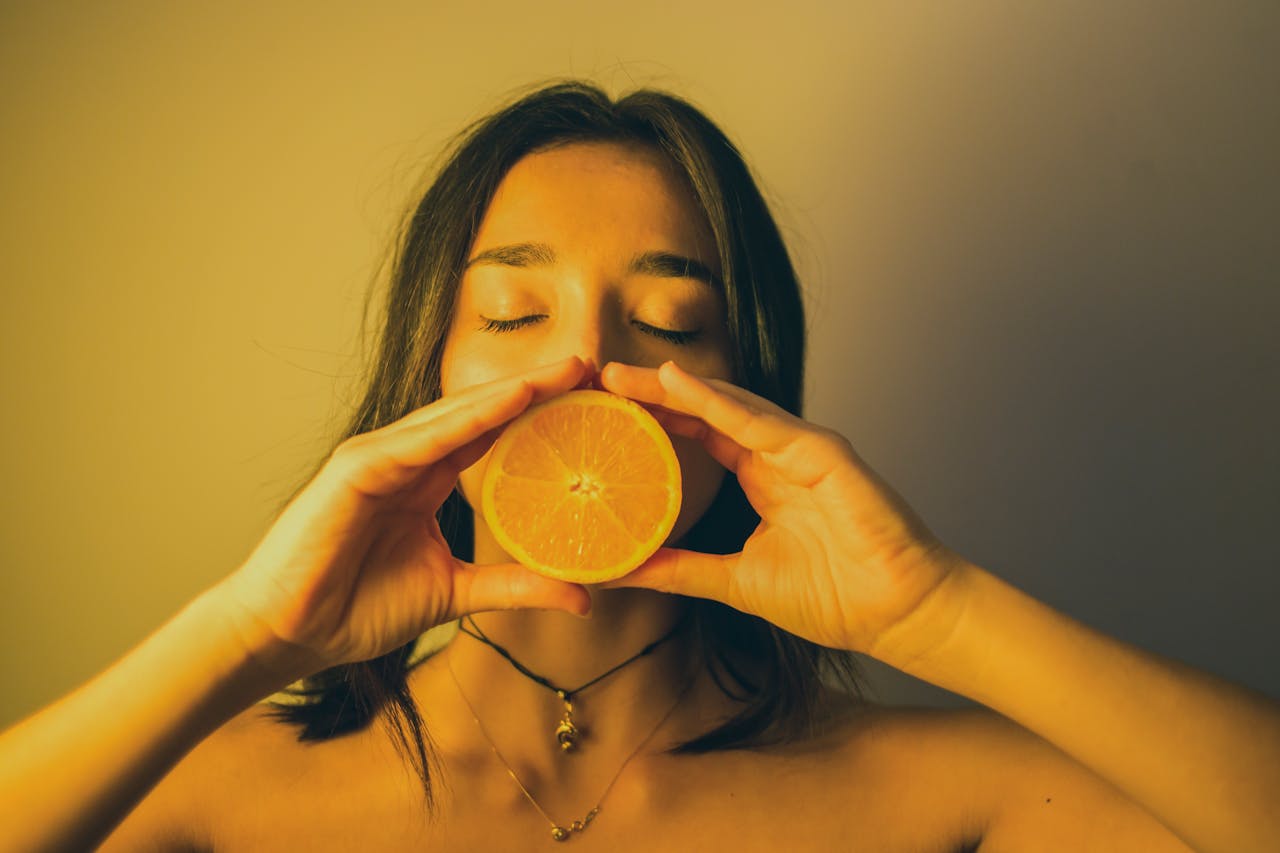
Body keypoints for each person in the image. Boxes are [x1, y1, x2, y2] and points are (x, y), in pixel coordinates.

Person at [1, 80, 1276, 852]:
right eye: (512, 317)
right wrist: (247, 633)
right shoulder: (215, 794)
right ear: (424, 379)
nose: (584, 365)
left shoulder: (928, 796)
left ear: (747, 401)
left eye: (668, 326)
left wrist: (936, 612)